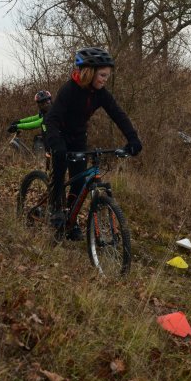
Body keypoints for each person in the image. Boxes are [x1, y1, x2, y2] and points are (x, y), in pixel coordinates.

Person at [44, 47, 142, 241]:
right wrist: (56, 144)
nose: (105, 79)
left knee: (79, 181)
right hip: (59, 136)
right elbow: (51, 120)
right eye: (103, 75)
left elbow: (117, 114)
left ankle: (70, 223)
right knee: (59, 172)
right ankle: (56, 211)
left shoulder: (100, 93)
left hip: (78, 137)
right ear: (89, 72)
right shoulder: (69, 90)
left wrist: (133, 138)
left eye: (107, 76)